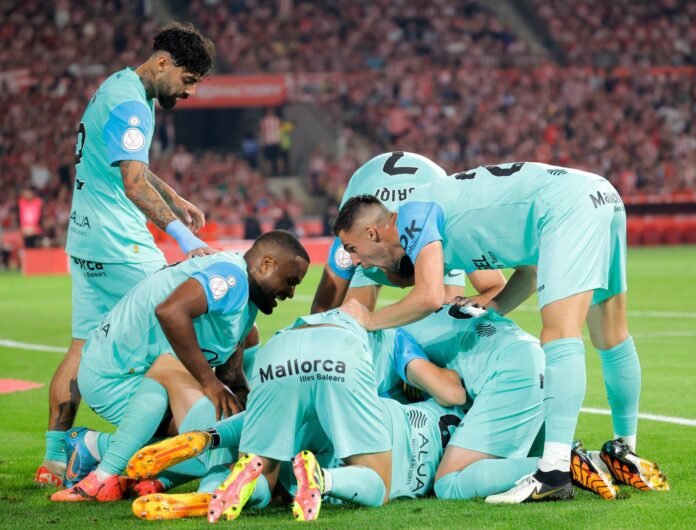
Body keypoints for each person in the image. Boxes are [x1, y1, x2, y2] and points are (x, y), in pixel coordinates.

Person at [334, 161, 668, 502]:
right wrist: (491, 309)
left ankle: (554, 471)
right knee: (611, 335)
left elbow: (429, 296)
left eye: (351, 249)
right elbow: (529, 274)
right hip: (599, 194)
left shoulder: (412, 214)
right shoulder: (453, 220)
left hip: (564, 205)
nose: (355, 262)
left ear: (372, 233)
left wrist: (369, 320)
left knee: (559, 334)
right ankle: (623, 451)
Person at [36, 23, 217, 488]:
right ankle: (147, 453)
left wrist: (175, 198)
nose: (190, 92)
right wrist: (185, 239)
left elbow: (131, 165)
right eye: (188, 80)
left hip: (86, 242)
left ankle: (53, 459)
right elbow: (133, 183)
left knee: (81, 346)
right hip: (122, 246)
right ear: (163, 62)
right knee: (182, 332)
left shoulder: (117, 87)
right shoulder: (134, 104)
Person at [122, 310, 467, 522]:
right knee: (377, 487)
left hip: (290, 361)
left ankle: (208, 446)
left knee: (257, 472)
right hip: (368, 448)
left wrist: (211, 436)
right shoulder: (463, 446)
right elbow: (453, 393)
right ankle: (321, 479)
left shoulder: (396, 347)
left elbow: (447, 387)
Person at [50, 230, 310, 502]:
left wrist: (259, 417)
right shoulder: (231, 279)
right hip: (115, 376)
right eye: (290, 281)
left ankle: (110, 455)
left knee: (225, 434)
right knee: (215, 441)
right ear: (267, 264)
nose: (291, 293)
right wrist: (209, 382)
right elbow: (170, 311)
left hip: (136, 371)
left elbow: (233, 379)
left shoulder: (245, 304)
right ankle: (101, 471)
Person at [311, 152, 505, 314]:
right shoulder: (355, 242)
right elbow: (322, 311)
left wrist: (473, 308)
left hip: (426, 200)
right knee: (353, 322)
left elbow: (495, 286)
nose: (353, 260)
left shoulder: (443, 228)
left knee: (447, 318)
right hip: (371, 189)